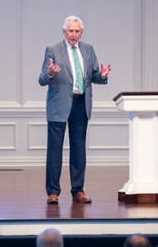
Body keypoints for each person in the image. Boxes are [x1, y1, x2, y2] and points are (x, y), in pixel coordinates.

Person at [39, 16, 111, 204]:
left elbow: (93, 74)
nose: (73, 34)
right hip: (59, 105)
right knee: (55, 151)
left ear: (81, 32)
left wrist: (101, 76)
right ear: (64, 32)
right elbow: (42, 79)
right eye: (70, 31)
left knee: (79, 150)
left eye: (77, 31)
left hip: (81, 104)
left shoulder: (88, 50)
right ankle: (53, 192)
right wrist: (51, 73)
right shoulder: (53, 50)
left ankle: (77, 190)